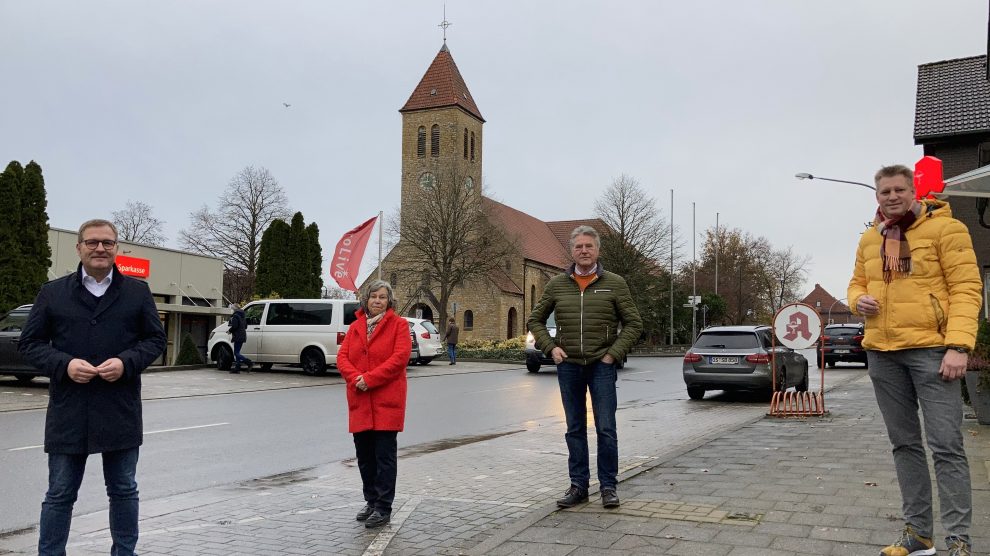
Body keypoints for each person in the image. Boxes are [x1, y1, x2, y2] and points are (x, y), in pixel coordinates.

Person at [848, 165, 981, 556]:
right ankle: (919, 534)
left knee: (947, 446)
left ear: (914, 192)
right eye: (884, 191)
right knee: (904, 445)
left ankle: (959, 539)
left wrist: (958, 345)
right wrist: (858, 301)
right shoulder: (870, 239)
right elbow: (857, 283)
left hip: (932, 352)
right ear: (877, 197)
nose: (891, 197)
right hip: (883, 354)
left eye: (899, 190)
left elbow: (967, 288)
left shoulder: (945, 229)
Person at [19, 219, 167, 556]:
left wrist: (127, 362)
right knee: (59, 492)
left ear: (117, 248)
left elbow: (155, 339)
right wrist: (65, 364)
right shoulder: (52, 293)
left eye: (107, 242)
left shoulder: (137, 292)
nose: (100, 248)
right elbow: (31, 343)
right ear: (79, 247)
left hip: (120, 409)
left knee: (124, 489)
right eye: (92, 242)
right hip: (69, 410)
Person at [528, 225, 642, 509]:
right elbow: (535, 321)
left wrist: (612, 354)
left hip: (601, 366)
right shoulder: (556, 285)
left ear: (598, 250)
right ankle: (578, 486)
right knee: (574, 428)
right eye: (579, 246)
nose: (584, 251)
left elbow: (634, 323)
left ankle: (608, 487)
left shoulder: (614, 283)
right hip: (569, 366)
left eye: (589, 246)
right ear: (572, 251)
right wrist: (550, 347)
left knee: (605, 428)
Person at [336, 280, 411, 528]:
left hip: (385, 401)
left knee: (384, 457)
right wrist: (354, 378)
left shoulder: (399, 326)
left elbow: (399, 359)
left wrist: (369, 379)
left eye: (382, 297)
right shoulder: (355, 327)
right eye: (373, 297)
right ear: (366, 300)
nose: (377, 301)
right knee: (365, 457)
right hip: (360, 400)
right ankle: (371, 501)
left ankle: (383, 506)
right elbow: (342, 357)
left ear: (389, 301)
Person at [227, 303, 251, 373]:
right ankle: (237, 368)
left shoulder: (235, 316)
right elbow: (245, 326)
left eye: (232, 308)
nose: (231, 309)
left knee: (236, 353)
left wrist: (229, 331)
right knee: (237, 352)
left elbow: (234, 326)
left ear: (234, 309)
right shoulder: (243, 315)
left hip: (237, 336)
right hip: (243, 335)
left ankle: (249, 362)